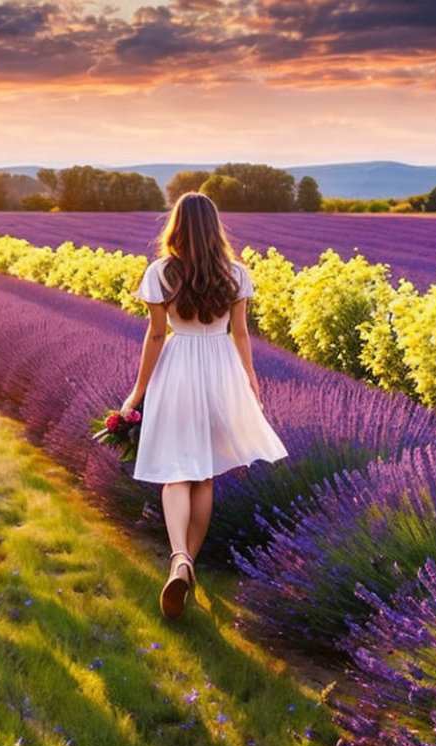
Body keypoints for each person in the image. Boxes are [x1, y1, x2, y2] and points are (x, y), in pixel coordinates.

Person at [121, 192, 288, 620]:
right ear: (215, 227)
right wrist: (249, 377)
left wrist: (137, 393)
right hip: (221, 369)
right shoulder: (235, 274)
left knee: (176, 473)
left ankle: (179, 558)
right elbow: (241, 334)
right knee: (206, 476)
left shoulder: (160, 273)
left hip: (178, 369)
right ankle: (188, 567)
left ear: (176, 225)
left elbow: (156, 336)